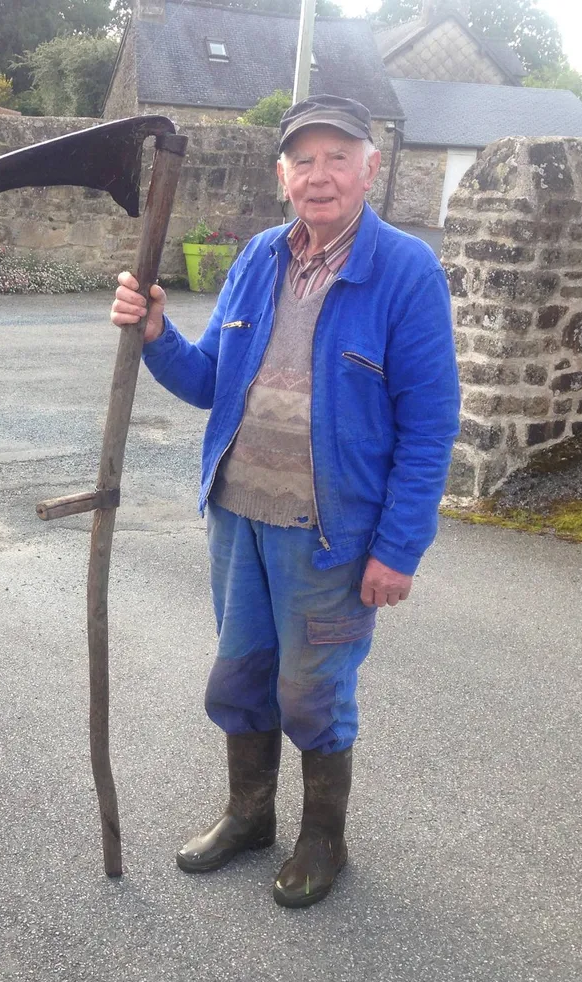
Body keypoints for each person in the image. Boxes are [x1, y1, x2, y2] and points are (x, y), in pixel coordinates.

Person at [110, 94, 460, 908]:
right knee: (241, 675)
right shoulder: (260, 257)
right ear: (282, 176)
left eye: (340, 157)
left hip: (329, 535)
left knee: (313, 690)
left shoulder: (406, 271)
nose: (321, 175)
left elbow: (430, 424)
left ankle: (323, 838)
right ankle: (249, 815)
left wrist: (399, 548)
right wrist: (158, 335)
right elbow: (210, 382)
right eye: (305, 160)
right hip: (238, 516)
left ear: (371, 168)